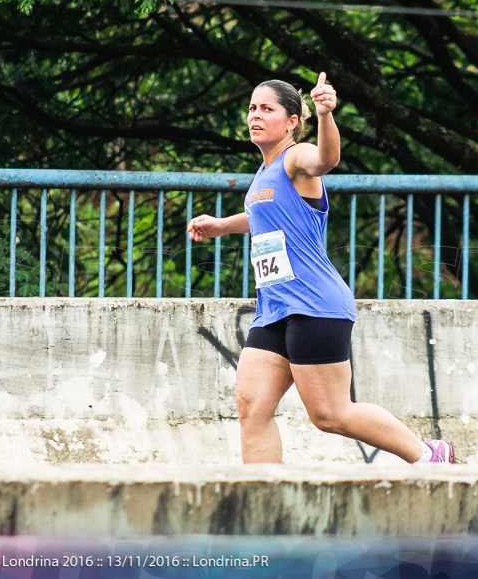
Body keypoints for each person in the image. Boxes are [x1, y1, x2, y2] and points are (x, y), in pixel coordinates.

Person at [187, 72, 453, 465]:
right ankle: (266, 502)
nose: (255, 116)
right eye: (251, 109)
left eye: (267, 109)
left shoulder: (295, 158)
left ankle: (429, 454)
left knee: (330, 415)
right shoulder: (263, 174)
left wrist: (326, 115)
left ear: (292, 121)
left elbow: (326, 160)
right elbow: (262, 215)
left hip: (314, 305)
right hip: (274, 309)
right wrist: (222, 226)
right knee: (251, 409)